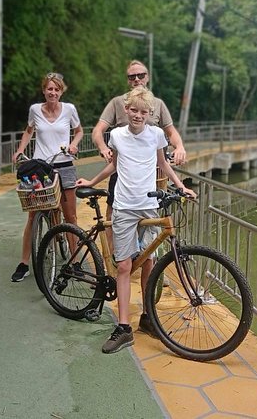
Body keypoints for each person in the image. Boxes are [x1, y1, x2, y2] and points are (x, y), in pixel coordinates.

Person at [76, 87, 196, 354]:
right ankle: (123, 328)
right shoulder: (117, 135)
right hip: (124, 207)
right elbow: (115, 165)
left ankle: (148, 317)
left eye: (144, 112)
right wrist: (93, 181)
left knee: (150, 263)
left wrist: (180, 186)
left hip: (149, 206)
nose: (138, 115)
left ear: (150, 114)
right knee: (124, 267)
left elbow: (163, 164)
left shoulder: (156, 135)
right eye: (134, 110)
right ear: (126, 110)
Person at [91, 60, 187, 252]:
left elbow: (170, 131)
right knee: (114, 213)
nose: (136, 79)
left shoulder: (157, 104)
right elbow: (97, 131)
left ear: (148, 77)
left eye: (140, 75)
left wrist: (179, 146)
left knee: (151, 217)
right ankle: (113, 257)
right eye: (132, 76)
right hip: (124, 164)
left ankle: (151, 261)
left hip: (152, 170)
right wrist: (103, 148)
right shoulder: (118, 103)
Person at [10, 72, 84, 282]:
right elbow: (28, 131)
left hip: (65, 163)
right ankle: (24, 263)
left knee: (70, 216)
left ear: (61, 91)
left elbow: (78, 131)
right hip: (41, 166)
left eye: (56, 89)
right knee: (32, 216)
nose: (53, 92)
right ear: (44, 90)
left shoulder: (69, 109)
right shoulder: (35, 110)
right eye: (49, 89)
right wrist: (20, 150)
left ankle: (75, 261)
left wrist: (74, 144)